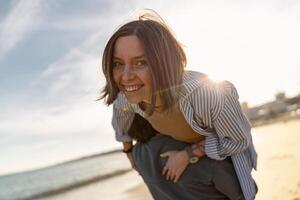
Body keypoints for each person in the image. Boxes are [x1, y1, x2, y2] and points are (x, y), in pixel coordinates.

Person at [100, 10, 257, 200]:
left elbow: (237, 141)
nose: (125, 76)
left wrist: (188, 154)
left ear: (164, 61)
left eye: (140, 62)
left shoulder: (208, 93)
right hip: (182, 150)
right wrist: (129, 153)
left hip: (223, 156)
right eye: (118, 64)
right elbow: (120, 119)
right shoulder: (127, 98)